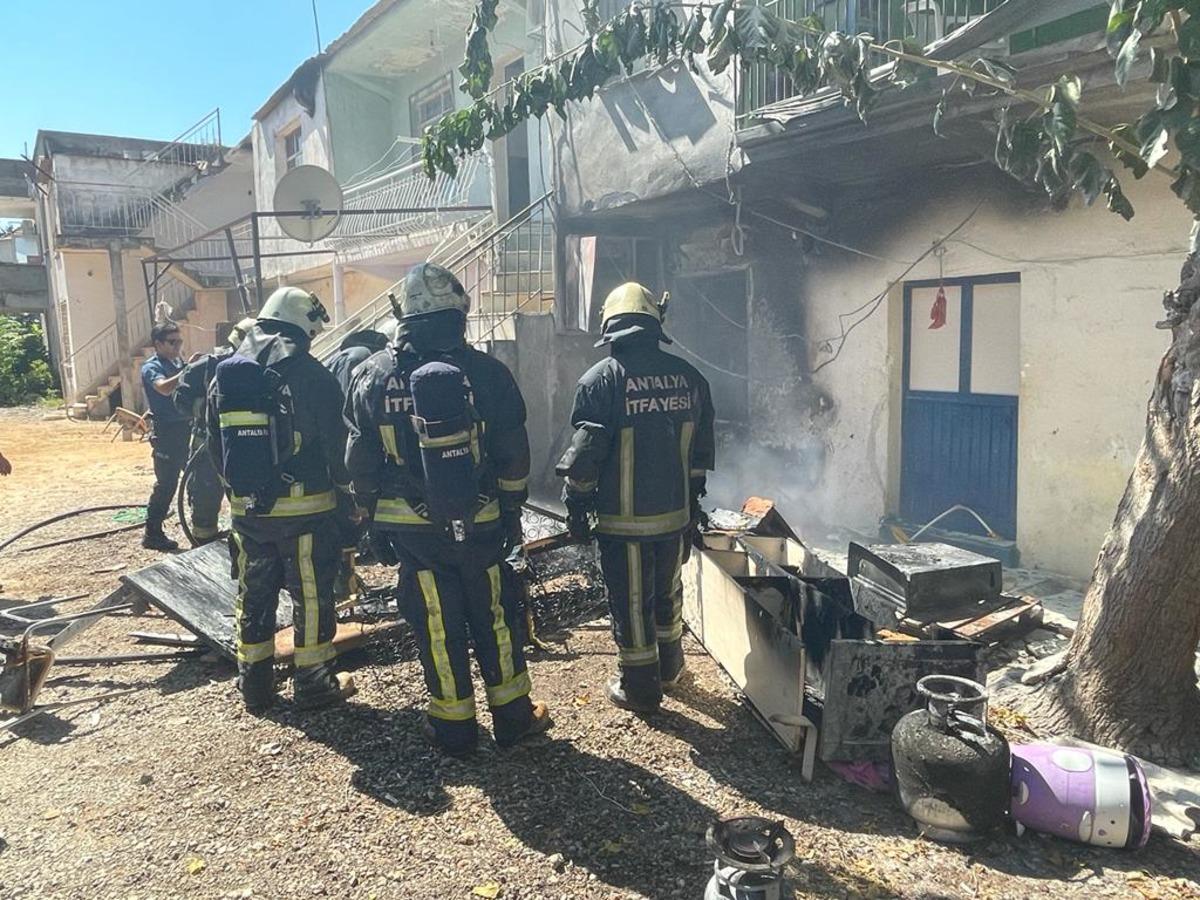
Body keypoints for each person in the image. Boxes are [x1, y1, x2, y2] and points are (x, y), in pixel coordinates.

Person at [344, 262, 551, 757]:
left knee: (435, 620)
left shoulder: (371, 374)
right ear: (459, 313)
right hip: (479, 522)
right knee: (495, 614)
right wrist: (511, 509)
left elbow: (359, 459)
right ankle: (513, 717)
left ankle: (453, 726)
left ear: (404, 315)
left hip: (411, 529)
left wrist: (370, 517)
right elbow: (513, 453)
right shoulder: (487, 373)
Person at [556, 282, 715, 714]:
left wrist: (577, 504)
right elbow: (700, 457)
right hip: (675, 518)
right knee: (667, 592)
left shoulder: (600, 381)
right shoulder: (690, 378)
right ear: (654, 324)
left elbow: (586, 458)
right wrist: (692, 504)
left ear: (609, 327)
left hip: (623, 524)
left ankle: (641, 689)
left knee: (631, 603)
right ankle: (670, 668)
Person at [206, 288, 356, 713]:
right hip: (306, 511)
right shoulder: (311, 374)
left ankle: (254, 687)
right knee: (309, 595)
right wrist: (347, 496)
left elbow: (214, 444)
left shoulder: (226, 375)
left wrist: (240, 493)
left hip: (247, 513)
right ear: (304, 328)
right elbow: (336, 445)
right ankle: (313, 684)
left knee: (253, 594)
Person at [172, 318, 255, 544]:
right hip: (206, 444)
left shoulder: (256, 367)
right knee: (205, 493)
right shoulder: (206, 366)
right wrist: (209, 406)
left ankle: (246, 540)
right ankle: (202, 542)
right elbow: (180, 400)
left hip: (241, 444)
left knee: (245, 493)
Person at [141, 322, 201, 552]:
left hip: (186, 428)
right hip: (167, 431)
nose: (177, 346)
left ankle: (200, 526)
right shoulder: (152, 367)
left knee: (196, 478)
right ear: (158, 344)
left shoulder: (177, 362)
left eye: (180, 342)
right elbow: (163, 388)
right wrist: (187, 370)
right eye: (172, 342)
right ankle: (152, 533)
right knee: (167, 484)